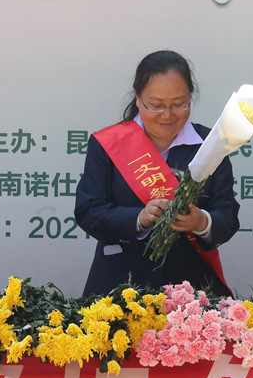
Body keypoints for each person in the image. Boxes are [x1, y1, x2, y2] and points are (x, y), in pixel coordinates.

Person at [75, 50, 240, 297]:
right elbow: (89, 211)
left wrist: (201, 222)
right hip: (120, 286)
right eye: (156, 105)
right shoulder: (108, 143)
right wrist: (138, 219)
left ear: (190, 99)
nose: (167, 115)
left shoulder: (211, 146)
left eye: (178, 104)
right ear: (138, 99)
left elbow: (227, 216)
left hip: (191, 292)